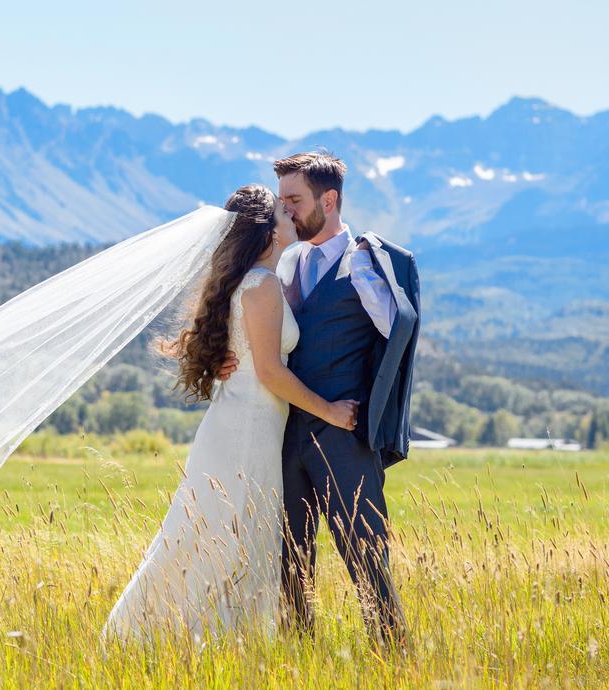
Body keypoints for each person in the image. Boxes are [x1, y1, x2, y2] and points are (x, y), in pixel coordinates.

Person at [102, 184, 358, 642]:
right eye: (284, 212)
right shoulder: (261, 286)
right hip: (247, 432)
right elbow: (271, 374)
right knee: (230, 539)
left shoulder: (252, 283)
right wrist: (332, 412)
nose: (292, 217)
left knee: (211, 536)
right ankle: (174, 638)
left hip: (241, 426)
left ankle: (185, 639)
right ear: (265, 235)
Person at [218, 152, 421, 648]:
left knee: (368, 561)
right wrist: (232, 357)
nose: (284, 212)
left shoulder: (364, 264)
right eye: (281, 201)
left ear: (328, 201)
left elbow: (398, 335)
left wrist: (375, 423)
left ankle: (394, 660)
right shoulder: (286, 261)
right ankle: (300, 663)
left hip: (344, 437)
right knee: (291, 567)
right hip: (285, 436)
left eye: (294, 200)